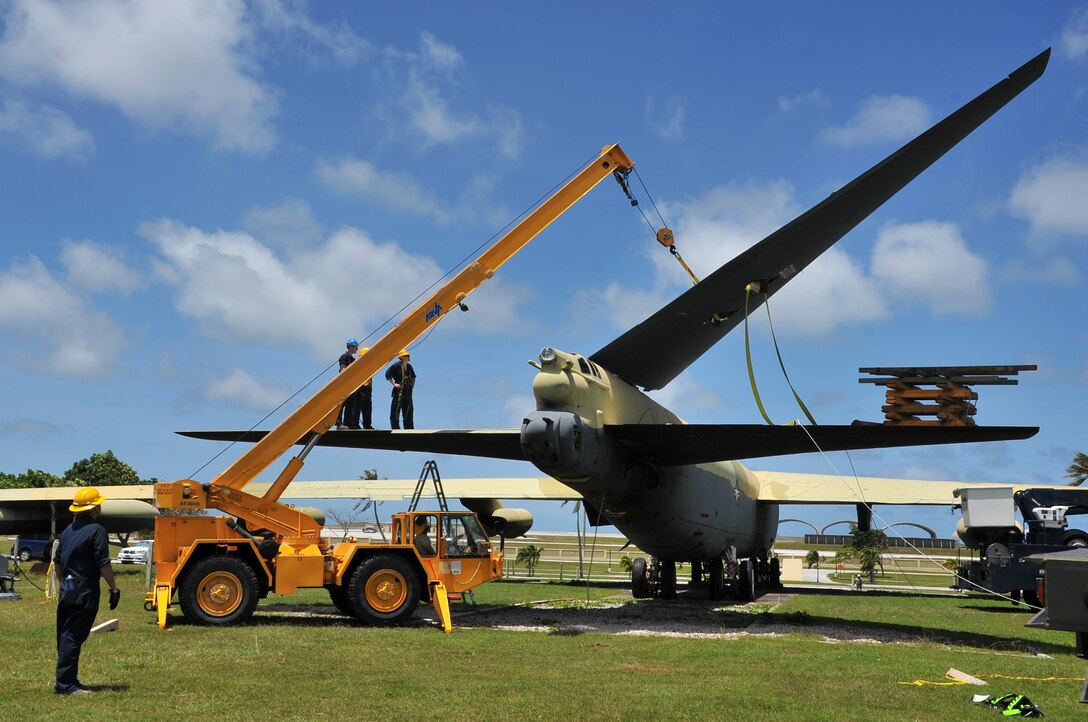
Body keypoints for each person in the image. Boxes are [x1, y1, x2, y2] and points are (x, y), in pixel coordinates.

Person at [53, 487, 120, 695]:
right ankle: (66, 686)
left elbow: (57, 563)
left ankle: (68, 680)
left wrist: (65, 582)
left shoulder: (68, 530)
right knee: (73, 637)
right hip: (85, 591)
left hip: (67, 588)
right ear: (95, 507)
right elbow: (103, 563)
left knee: (65, 635)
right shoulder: (97, 530)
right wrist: (114, 587)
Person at [385, 349, 416, 429]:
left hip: (408, 392)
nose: (408, 357)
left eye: (408, 355)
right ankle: (395, 428)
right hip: (399, 392)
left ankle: (409, 428)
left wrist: (412, 386)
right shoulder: (396, 366)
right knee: (395, 410)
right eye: (406, 356)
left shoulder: (409, 367)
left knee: (409, 410)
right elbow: (388, 374)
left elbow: (413, 377)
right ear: (401, 357)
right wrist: (394, 384)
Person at [337, 338, 362, 429]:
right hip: (344, 384)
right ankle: (339, 424)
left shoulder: (352, 359)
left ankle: (348, 423)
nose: (357, 349)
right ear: (350, 347)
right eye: (355, 347)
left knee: (351, 404)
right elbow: (343, 370)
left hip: (351, 385)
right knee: (342, 404)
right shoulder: (344, 357)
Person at [356, 346, 374, 430]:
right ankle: (356, 424)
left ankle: (367, 425)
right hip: (360, 389)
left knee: (368, 408)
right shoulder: (358, 366)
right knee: (357, 407)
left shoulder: (369, 366)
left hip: (368, 390)